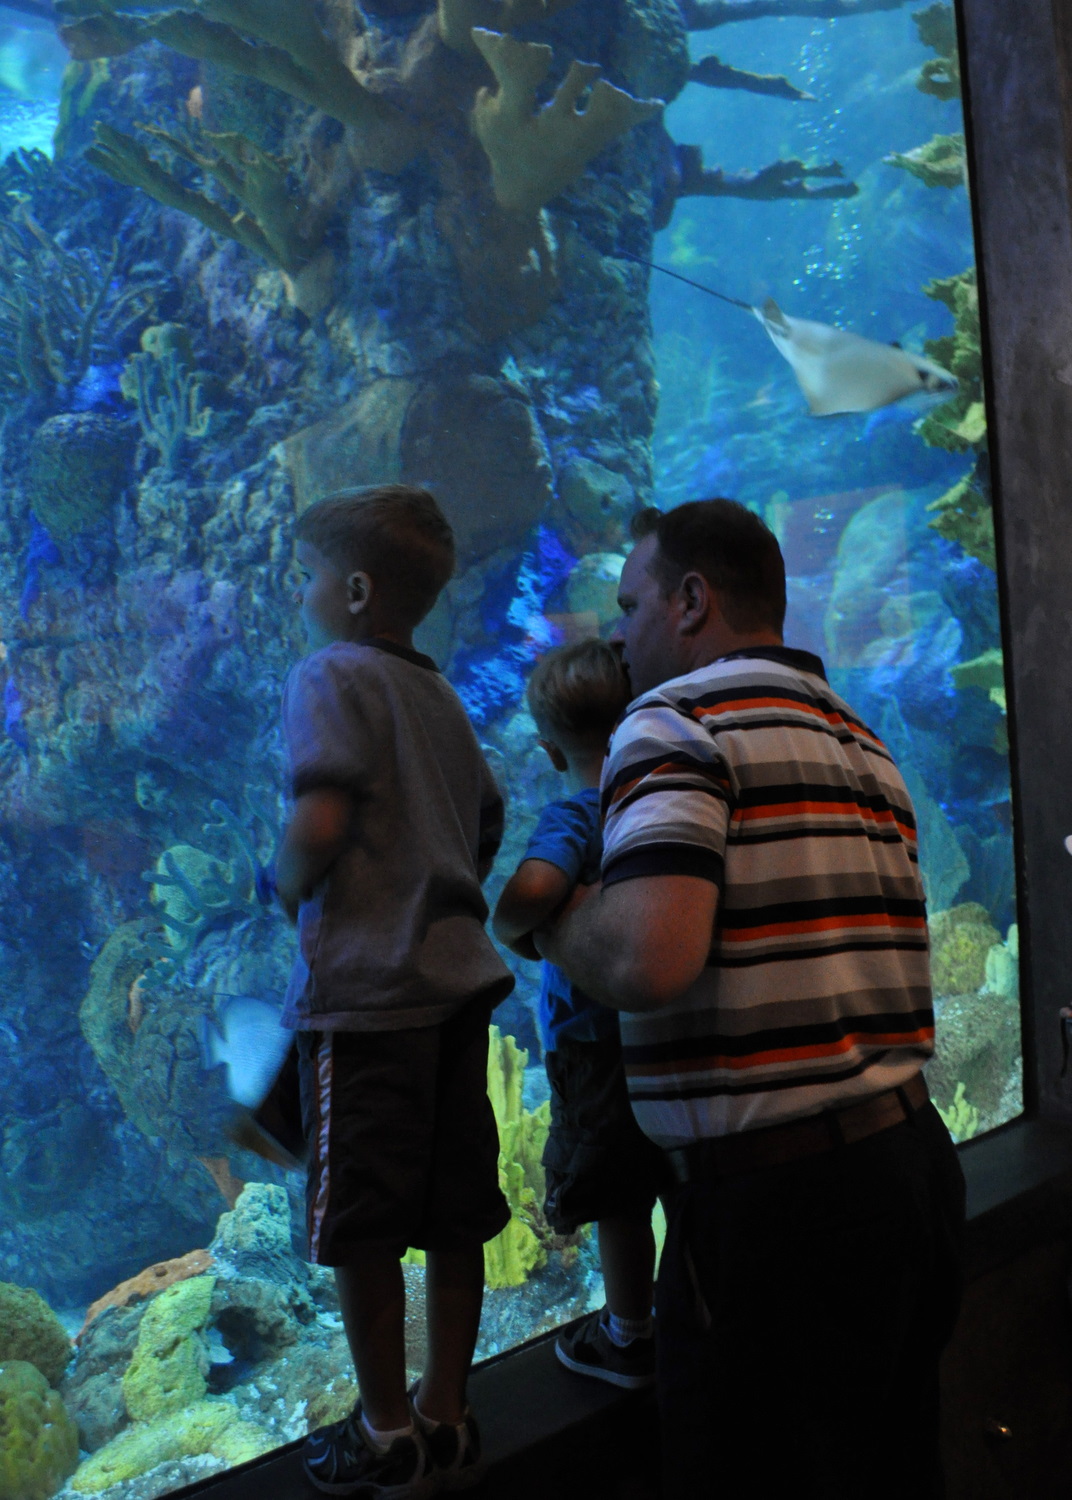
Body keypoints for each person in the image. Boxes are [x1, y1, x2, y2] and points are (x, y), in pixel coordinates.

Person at [535, 499, 966, 1499]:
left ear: (692, 601)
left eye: (630, 605)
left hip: (777, 1216)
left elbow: (649, 958)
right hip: (912, 1173)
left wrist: (555, 919)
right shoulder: (857, 736)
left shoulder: (673, 722)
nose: (618, 635)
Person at [275, 484, 514, 1499]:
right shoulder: (442, 696)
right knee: (457, 1214)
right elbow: (487, 820)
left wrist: (281, 882)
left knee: (363, 1227)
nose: (303, 593)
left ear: (357, 589)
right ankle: (446, 1413)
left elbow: (322, 820)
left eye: (310, 575)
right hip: (458, 992)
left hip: (368, 1002)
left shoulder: (330, 673)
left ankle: (384, 1431)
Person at [492, 639, 672, 1391]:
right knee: (677, 1178)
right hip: (666, 1030)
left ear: (546, 748)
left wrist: (515, 932)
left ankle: (629, 1335)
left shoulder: (575, 813)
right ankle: (696, 1312)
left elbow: (532, 891)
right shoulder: (658, 802)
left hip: (594, 1048)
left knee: (619, 1198)